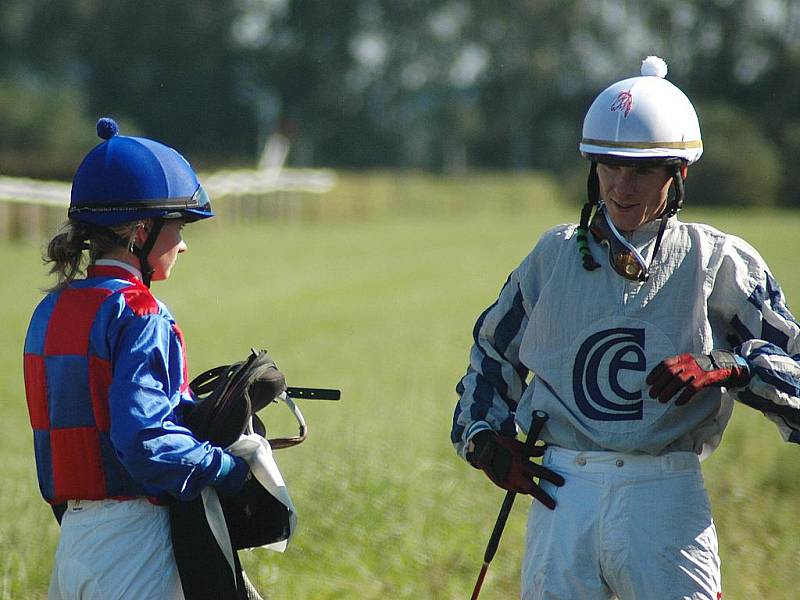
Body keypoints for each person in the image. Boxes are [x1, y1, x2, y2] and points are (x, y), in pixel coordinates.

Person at [451, 56, 800, 600]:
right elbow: (492, 356)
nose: (621, 185)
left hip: (665, 498)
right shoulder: (552, 255)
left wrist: (730, 366)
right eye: (609, 167)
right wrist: (484, 441)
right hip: (564, 496)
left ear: (677, 175)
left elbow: (796, 374)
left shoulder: (719, 260)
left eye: (641, 170)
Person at [23, 117, 250, 600]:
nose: (184, 243)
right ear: (141, 232)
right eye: (178, 227)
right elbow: (144, 439)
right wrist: (228, 469)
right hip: (135, 547)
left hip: (74, 546)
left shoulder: (50, 308)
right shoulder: (141, 311)